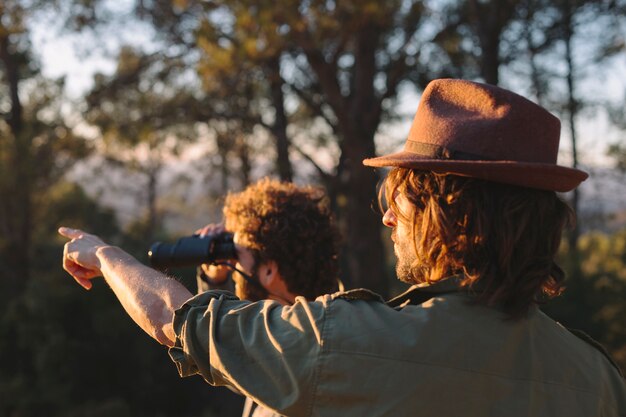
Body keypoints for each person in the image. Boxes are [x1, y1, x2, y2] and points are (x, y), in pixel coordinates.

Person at [60, 79, 626, 416]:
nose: (385, 215)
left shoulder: (348, 343)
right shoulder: (598, 378)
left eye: (400, 199)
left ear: (448, 214)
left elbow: (173, 319)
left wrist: (108, 256)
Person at [193, 178, 341, 417]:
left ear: (269, 271)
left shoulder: (285, 356)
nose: (234, 265)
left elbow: (223, 354)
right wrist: (215, 280)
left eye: (238, 255)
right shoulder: (329, 329)